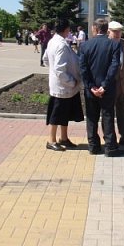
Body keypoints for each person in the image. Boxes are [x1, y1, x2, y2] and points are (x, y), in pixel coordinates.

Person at [79, 18, 123, 157]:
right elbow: (114, 67)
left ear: (95, 29)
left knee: (91, 118)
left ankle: (93, 146)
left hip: (91, 90)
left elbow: (83, 69)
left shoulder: (85, 46)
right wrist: (104, 86)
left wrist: (91, 86)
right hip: (108, 89)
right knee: (108, 116)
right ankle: (110, 148)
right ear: (106, 29)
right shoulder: (114, 45)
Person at [43, 18, 84, 151]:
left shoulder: (52, 41)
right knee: (57, 114)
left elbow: (45, 60)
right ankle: (51, 141)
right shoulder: (60, 45)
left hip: (63, 85)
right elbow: (60, 69)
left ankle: (64, 138)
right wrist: (71, 81)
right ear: (66, 30)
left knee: (64, 113)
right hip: (63, 86)